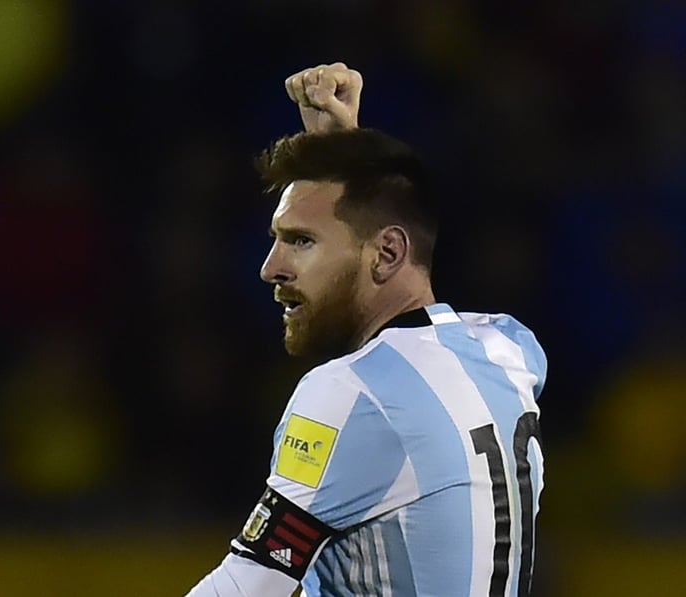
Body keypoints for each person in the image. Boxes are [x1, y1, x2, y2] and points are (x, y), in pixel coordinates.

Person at [186, 63, 547, 597]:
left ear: (388, 252)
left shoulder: (348, 393)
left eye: (301, 241)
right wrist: (343, 152)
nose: (271, 266)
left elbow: (246, 586)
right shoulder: (509, 348)